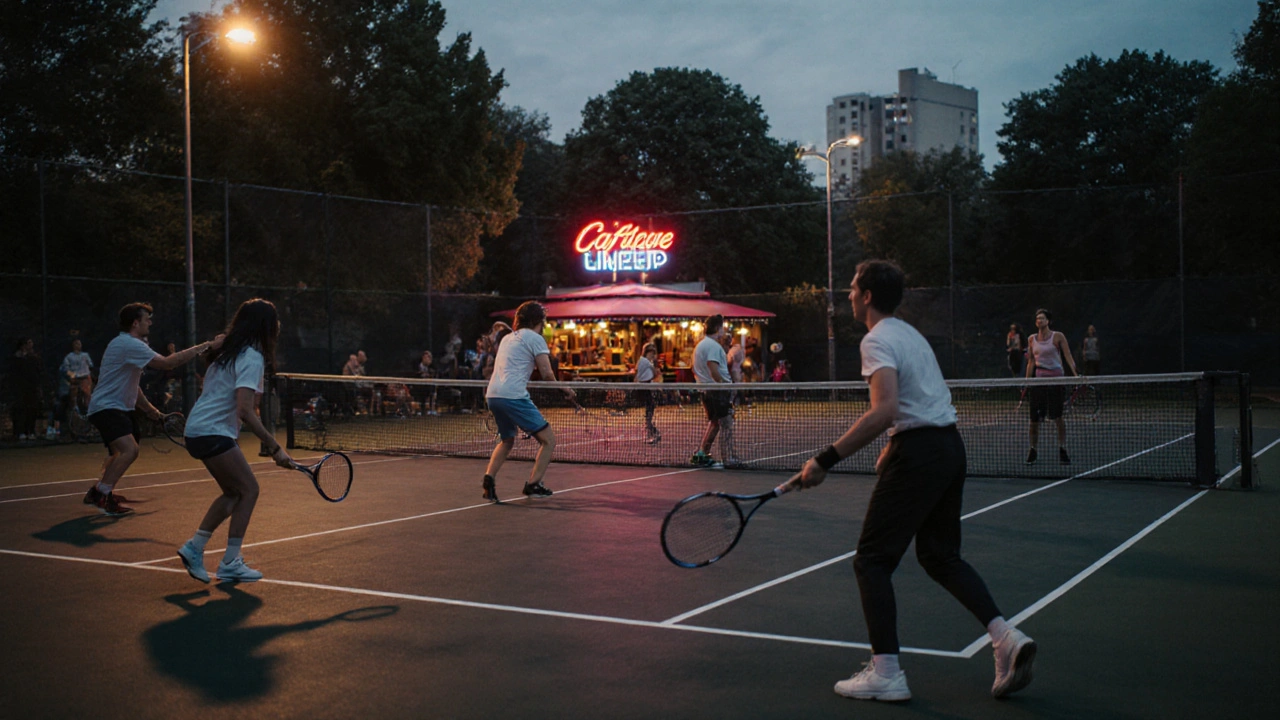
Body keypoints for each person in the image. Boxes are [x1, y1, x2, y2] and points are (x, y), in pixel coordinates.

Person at [795, 260, 1036, 703]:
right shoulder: (909, 334)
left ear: (867, 296)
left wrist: (824, 460)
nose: (847, 294)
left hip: (922, 453)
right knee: (941, 557)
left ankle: (886, 672)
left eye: (851, 288)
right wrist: (895, 442)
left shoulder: (876, 339)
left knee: (871, 560)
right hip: (947, 447)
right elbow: (921, 398)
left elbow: (884, 407)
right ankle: (1005, 638)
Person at [176, 299, 293, 583]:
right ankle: (230, 561)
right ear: (265, 325)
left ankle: (195, 547)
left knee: (233, 493)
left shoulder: (228, 352)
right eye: (274, 319)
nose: (278, 325)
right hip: (212, 431)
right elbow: (244, 409)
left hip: (200, 429)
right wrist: (275, 447)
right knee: (249, 490)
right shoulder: (251, 357)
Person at [84, 303, 224, 515]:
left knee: (118, 453)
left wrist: (151, 411)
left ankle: (100, 491)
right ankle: (102, 494)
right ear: (135, 323)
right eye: (146, 318)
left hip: (118, 408)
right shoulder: (129, 344)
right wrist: (207, 346)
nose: (150, 322)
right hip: (107, 407)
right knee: (129, 450)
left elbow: (133, 385)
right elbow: (168, 363)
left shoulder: (128, 345)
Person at [480, 301, 575, 502]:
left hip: (493, 395)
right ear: (539, 320)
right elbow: (548, 374)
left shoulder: (507, 338)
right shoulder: (536, 339)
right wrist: (566, 390)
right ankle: (533, 484)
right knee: (548, 440)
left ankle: (489, 479)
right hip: (513, 396)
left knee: (507, 440)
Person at [1025, 308, 1078, 465]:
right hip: (1039, 382)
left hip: (1056, 381)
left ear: (1048, 321)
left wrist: (1075, 375)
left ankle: (1062, 449)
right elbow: (1031, 362)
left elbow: (1068, 356)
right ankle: (1033, 449)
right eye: (1037, 318)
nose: (1039, 320)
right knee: (1034, 420)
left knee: (1058, 417)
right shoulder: (1031, 339)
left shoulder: (1058, 336)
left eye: (1042, 318)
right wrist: (1027, 382)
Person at [689, 314, 738, 469]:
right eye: (722, 327)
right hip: (716, 391)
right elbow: (713, 369)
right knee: (727, 423)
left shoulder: (703, 345)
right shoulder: (711, 346)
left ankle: (703, 453)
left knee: (715, 423)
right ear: (717, 328)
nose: (724, 330)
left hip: (708, 390)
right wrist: (725, 386)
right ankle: (727, 458)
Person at [7, 338, 43, 442]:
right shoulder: (16, 359)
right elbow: (13, 375)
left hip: (32, 388)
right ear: (23, 345)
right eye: (28, 343)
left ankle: (30, 431)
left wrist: (38, 386)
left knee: (32, 410)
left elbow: (38, 372)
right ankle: (20, 432)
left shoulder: (34, 358)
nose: (31, 345)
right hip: (20, 389)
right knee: (20, 410)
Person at [634, 342, 661, 443]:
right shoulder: (645, 361)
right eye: (651, 353)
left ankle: (650, 429)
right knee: (649, 408)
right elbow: (655, 373)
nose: (653, 355)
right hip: (644, 387)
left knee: (650, 408)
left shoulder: (646, 362)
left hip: (647, 386)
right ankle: (649, 431)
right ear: (647, 352)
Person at [60, 337, 94, 415]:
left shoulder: (86, 355)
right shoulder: (69, 356)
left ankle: (88, 410)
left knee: (87, 395)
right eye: (76, 343)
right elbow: (65, 369)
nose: (78, 345)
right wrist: (73, 376)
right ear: (73, 345)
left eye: (79, 343)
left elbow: (90, 365)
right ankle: (74, 410)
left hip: (85, 378)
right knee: (73, 395)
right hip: (75, 379)